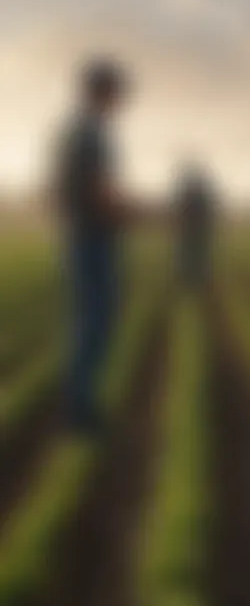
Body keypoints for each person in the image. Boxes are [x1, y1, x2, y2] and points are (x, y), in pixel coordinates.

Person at [55, 58, 132, 434]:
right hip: (93, 240)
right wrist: (131, 213)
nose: (121, 99)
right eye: (117, 91)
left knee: (90, 321)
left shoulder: (76, 131)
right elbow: (101, 192)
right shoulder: (91, 134)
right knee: (96, 323)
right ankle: (81, 412)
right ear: (102, 92)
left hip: (81, 236)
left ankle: (80, 405)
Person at [176, 163, 215, 289]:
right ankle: (194, 277)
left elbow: (183, 211)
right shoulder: (198, 194)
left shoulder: (190, 194)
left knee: (194, 254)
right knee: (194, 254)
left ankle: (193, 277)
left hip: (194, 231)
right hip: (194, 231)